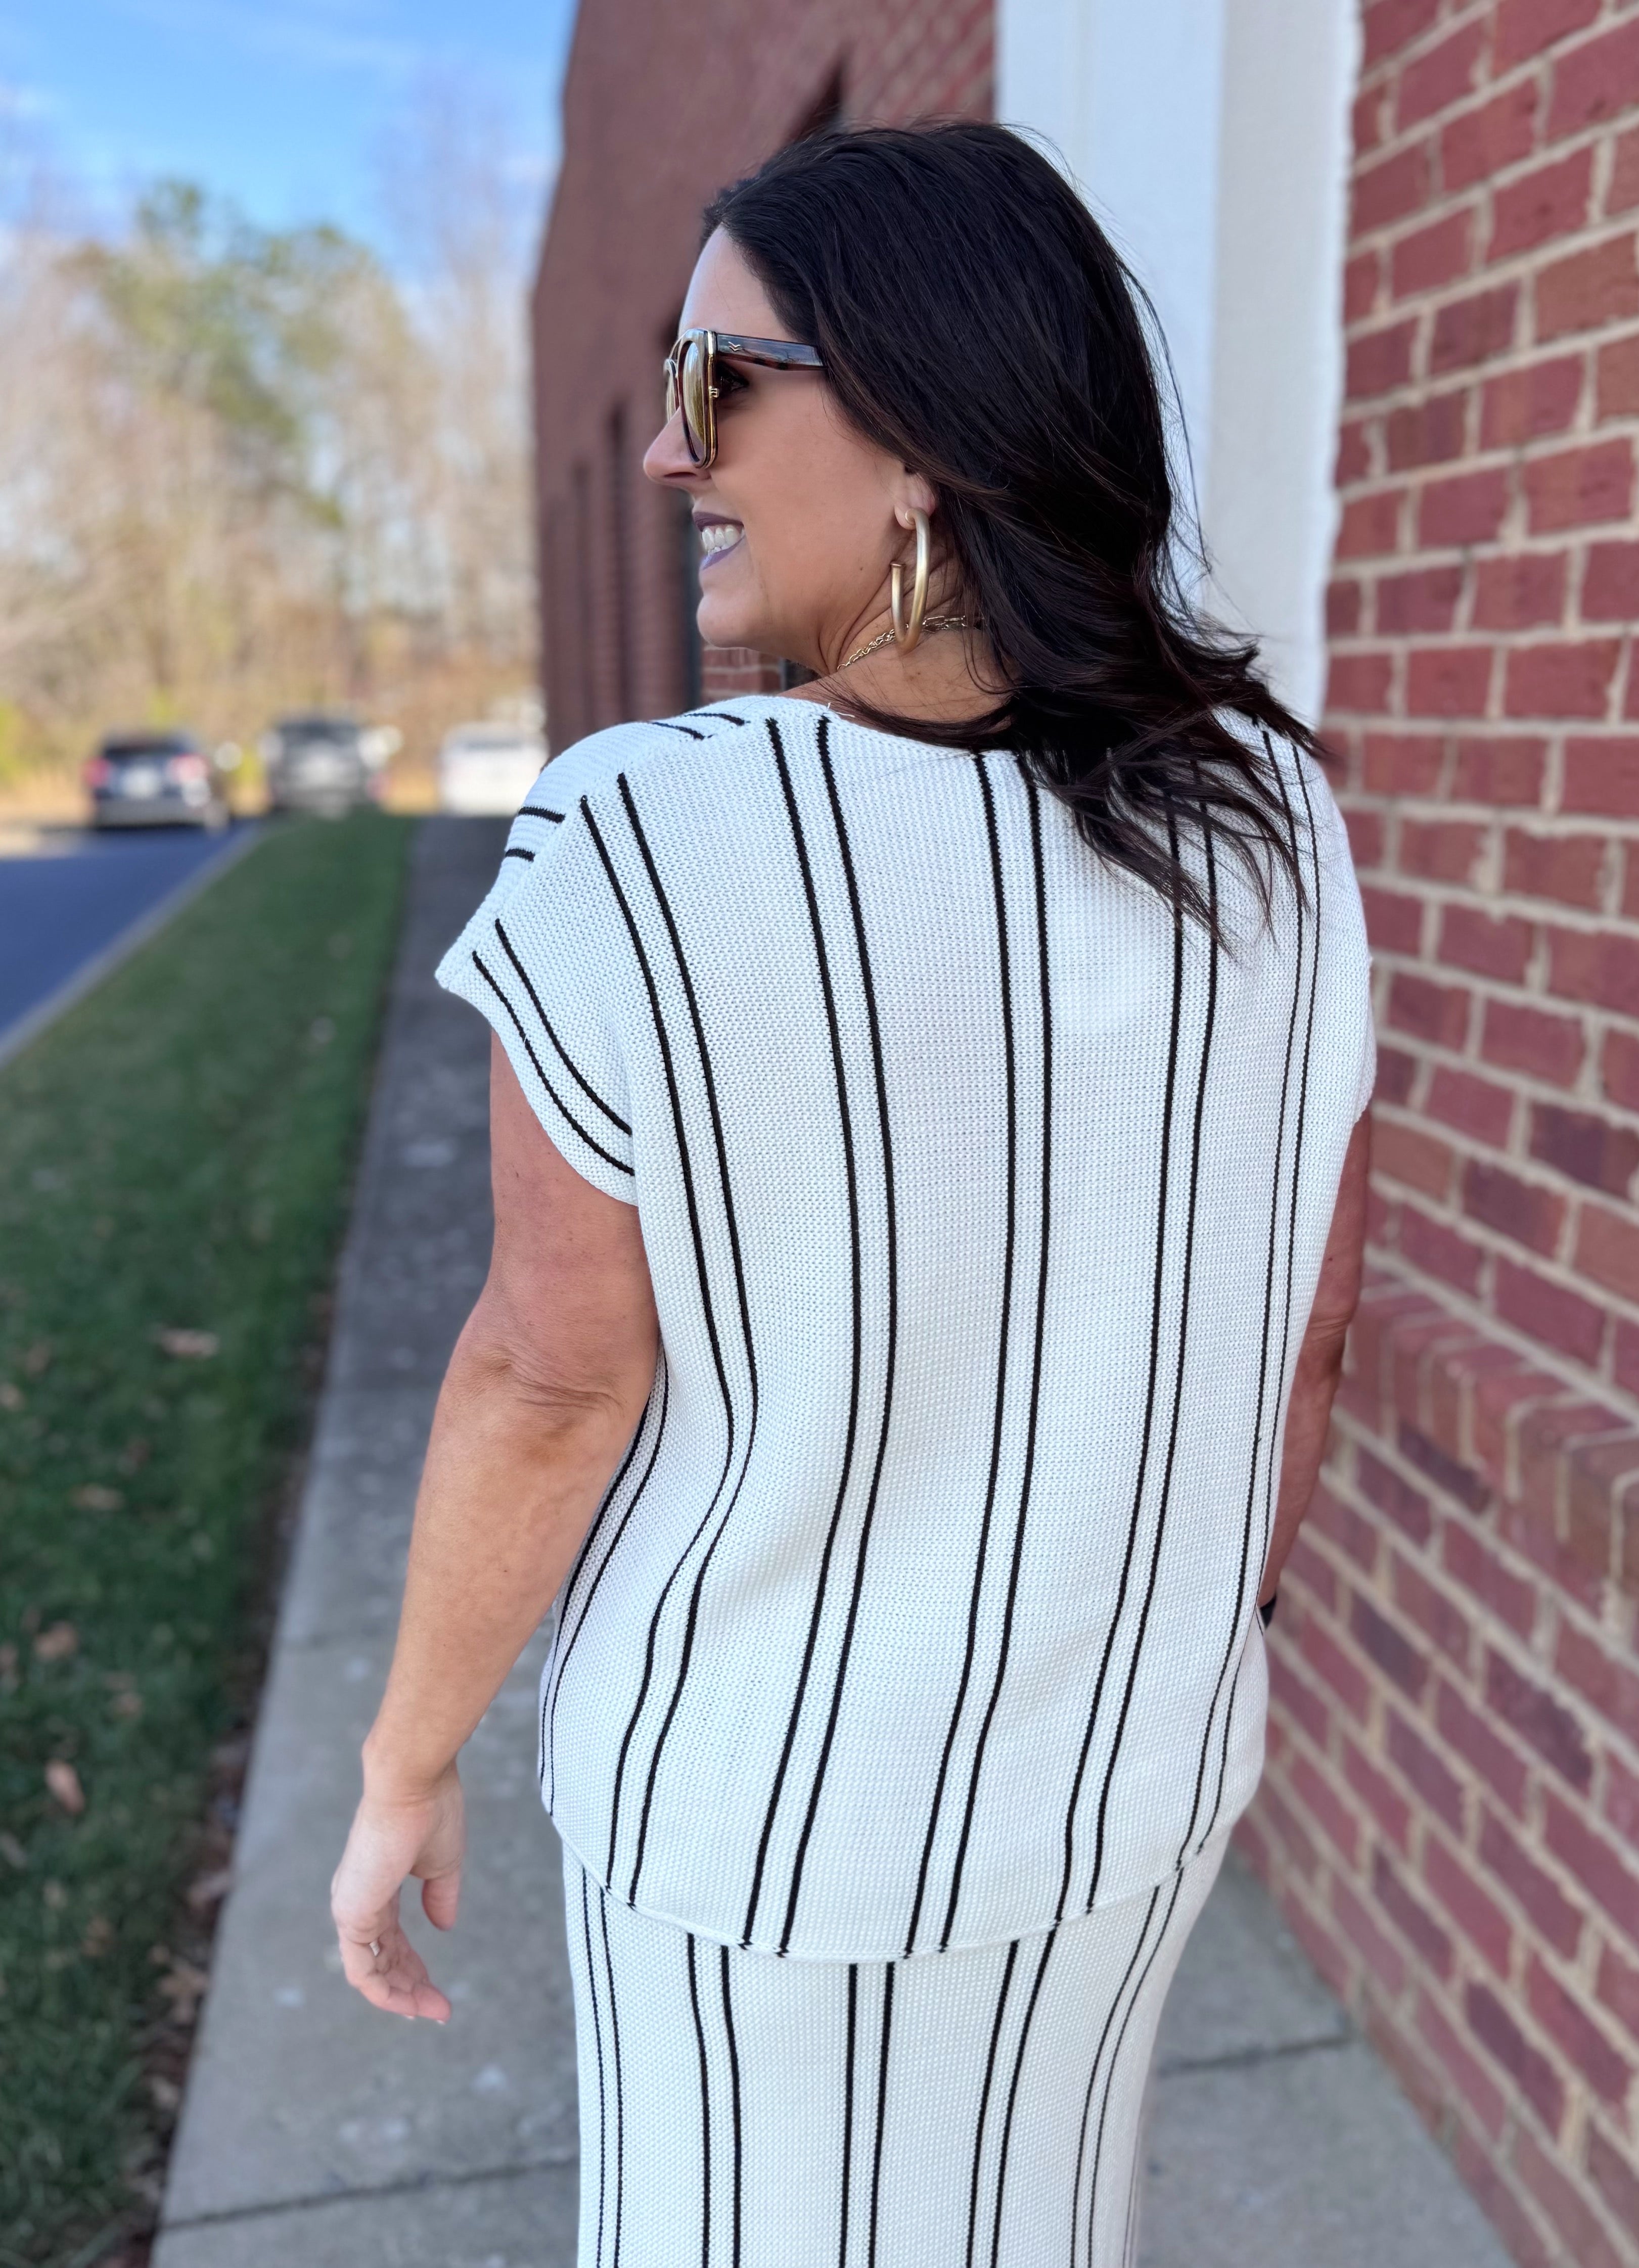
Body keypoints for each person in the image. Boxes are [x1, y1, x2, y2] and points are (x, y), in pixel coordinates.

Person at [330, 120, 1373, 2267]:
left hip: (764, 1832)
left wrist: (402, 1764)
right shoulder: (1269, 824)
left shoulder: (640, 834)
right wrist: (1183, 1644)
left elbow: (548, 1381)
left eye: (716, 383)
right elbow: (1308, 1333)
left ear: (918, 437)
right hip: (1134, 1796)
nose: (664, 453)